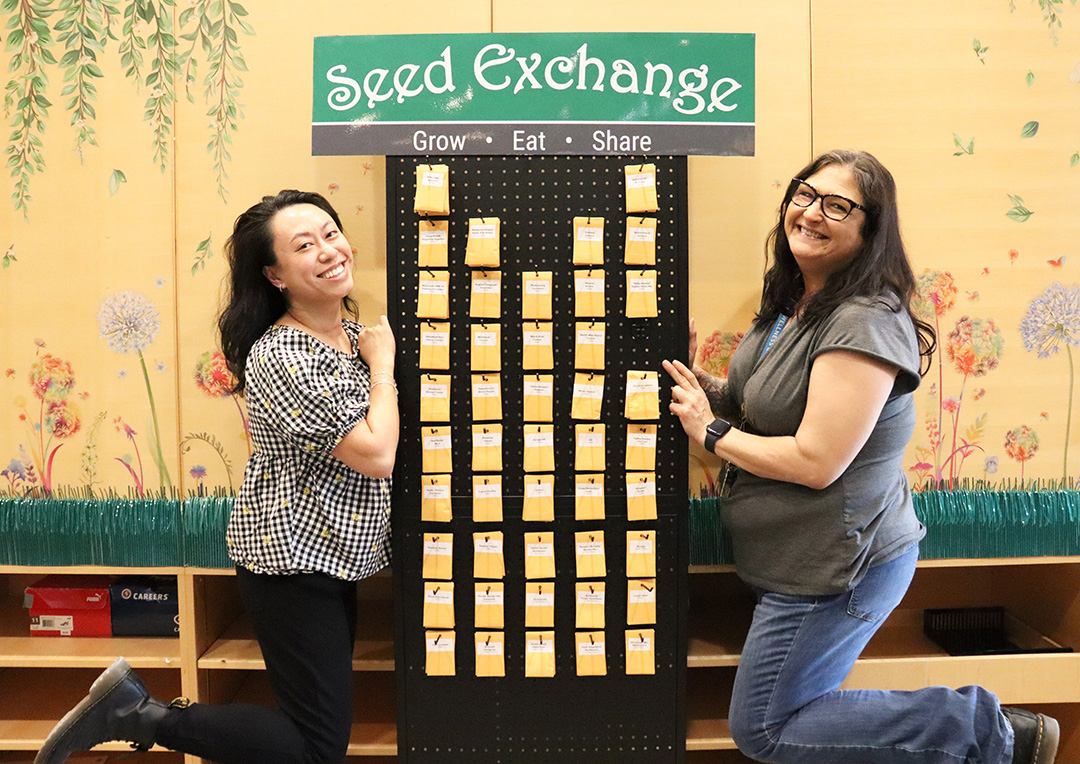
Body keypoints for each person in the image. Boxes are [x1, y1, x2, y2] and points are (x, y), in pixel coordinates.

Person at [662, 150, 1057, 764]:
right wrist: (704, 385)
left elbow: (816, 459)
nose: (812, 213)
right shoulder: (794, 299)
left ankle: (985, 730)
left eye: (837, 206)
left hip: (840, 566)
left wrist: (709, 434)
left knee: (765, 728)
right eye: (805, 194)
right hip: (800, 563)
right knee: (784, 719)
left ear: (871, 230)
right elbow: (766, 405)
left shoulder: (865, 320)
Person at [35, 189, 399, 764]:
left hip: (333, 555)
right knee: (317, 747)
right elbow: (376, 454)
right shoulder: (285, 354)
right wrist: (384, 371)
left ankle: (137, 711)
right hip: (294, 558)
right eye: (305, 246)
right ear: (276, 274)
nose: (330, 251)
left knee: (317, 731)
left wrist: (373, 358)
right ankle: (138, 713)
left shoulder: (349, 338)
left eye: (331, 234)